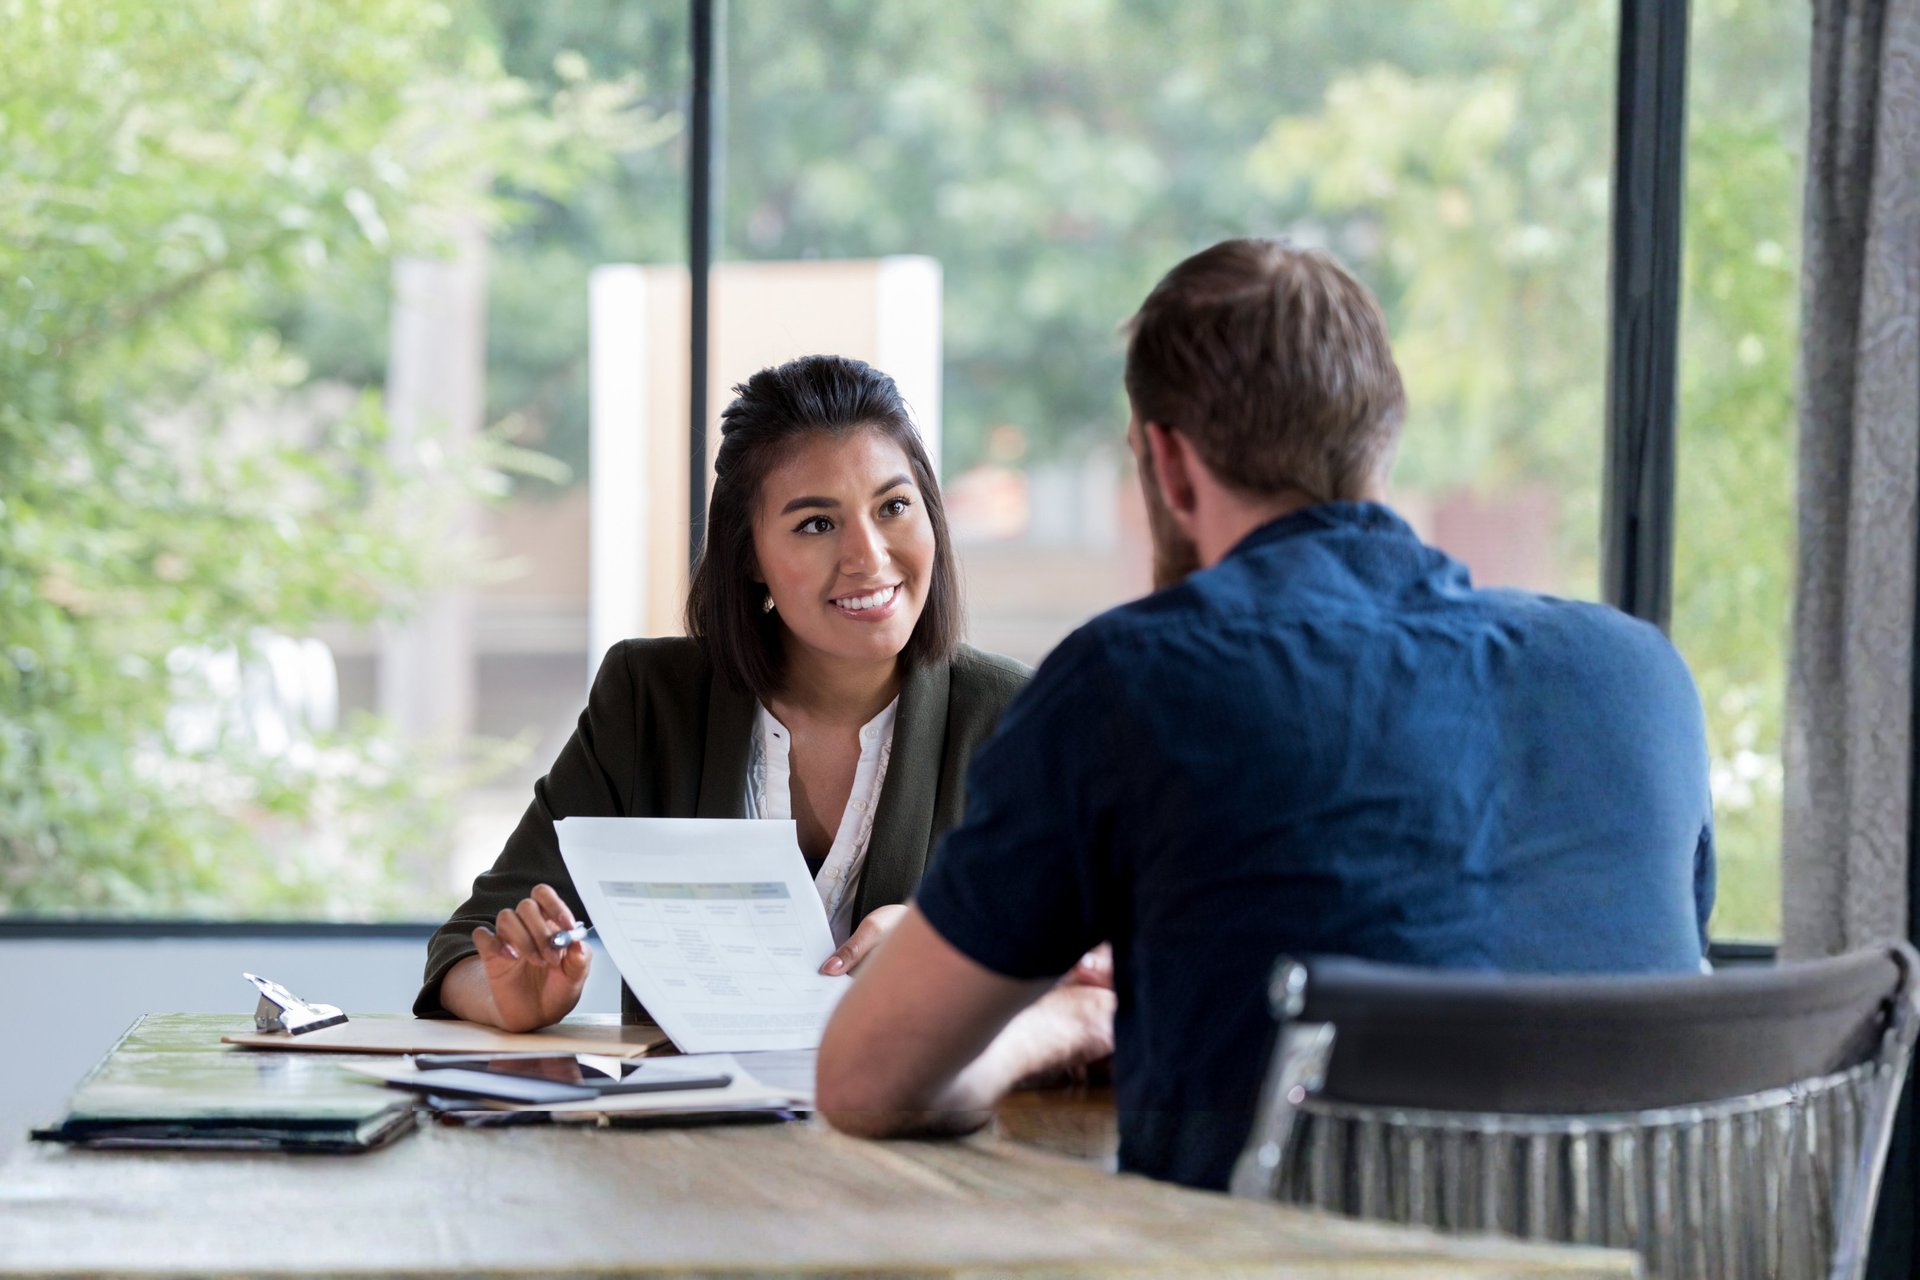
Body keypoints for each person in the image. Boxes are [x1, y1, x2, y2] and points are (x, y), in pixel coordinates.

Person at [816, 239, 1717, 1191]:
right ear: (1383, 434)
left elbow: (868, 1082)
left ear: (1167, 461)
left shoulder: (1134, 680)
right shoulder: (1641, 675)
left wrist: (1068, 1022)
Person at [416, 354, 1030, 1031]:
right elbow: (467, 944)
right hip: (685, 1132)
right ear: (750, 556)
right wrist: (507, 996)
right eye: (817, 524)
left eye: (893, 507)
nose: (870, 555)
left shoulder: (1013, 718)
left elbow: (1102, 965)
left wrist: (954, 951)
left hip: (920, 1130)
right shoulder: (650, 701)